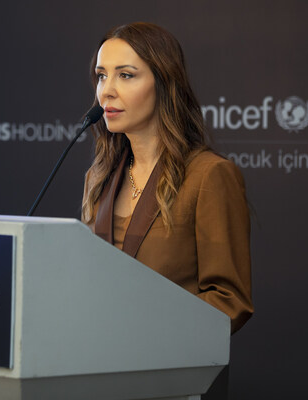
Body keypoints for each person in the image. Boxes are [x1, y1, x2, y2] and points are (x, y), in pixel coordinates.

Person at [81, 22, 252, 334]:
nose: (106, 90)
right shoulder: (98, 177)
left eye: (126, 75)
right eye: (102, 75)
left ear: (163, 83)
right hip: (98, 355)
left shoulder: (209, 175)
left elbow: (229, 302)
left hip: (168, 361)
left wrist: (147, 331)